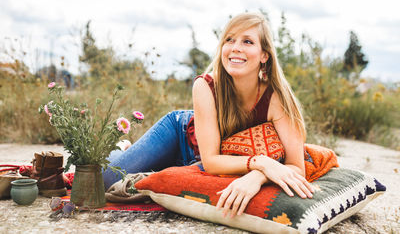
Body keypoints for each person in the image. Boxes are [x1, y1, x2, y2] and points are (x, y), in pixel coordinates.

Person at [102, 12, 314, 218]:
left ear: (264, 55)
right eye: (229, 40)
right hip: (180, 135)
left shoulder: (276, 96)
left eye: (247, 42)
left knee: (160, 178)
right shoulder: (206, 85)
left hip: (201, 164)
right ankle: (121, 150)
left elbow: (296, 166)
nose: (236, 48)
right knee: (107, 179)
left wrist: (258, 176)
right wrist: (262, 163)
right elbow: (211, 161)